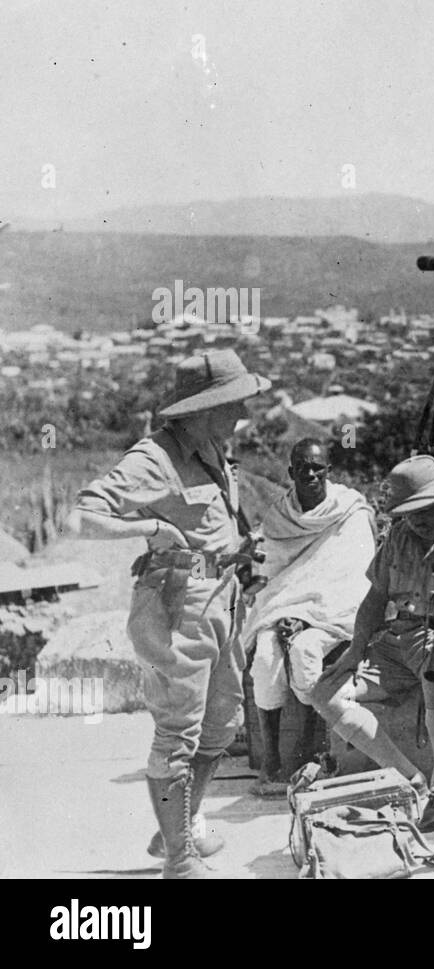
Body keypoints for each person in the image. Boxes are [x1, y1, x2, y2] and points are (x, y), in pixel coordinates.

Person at [74, 349, 270, 878]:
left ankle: (180, 832)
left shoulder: (209, 447)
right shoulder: (153, 458)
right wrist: (149, 530)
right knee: (178, 735)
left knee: (220, 727)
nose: (243, 411)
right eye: (235, 401)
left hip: (220, 596)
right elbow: (85, 515)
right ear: (206, 406)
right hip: (177, 604)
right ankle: (179, 863)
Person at [311, 455, 434, 831]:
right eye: (408, 511)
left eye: (423, 510)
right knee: (325, 692)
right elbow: (374, 600)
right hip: (399, 639)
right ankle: (408, 780)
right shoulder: (398, 537)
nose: (416, 519)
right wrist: (354, 651)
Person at [243, 438, 376, 796]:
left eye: (319, 467)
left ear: (328, 471)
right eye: (304, 467)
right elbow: (273, 577)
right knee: (267, 656)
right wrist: (286, 613)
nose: (312, 473)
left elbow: (353, 578)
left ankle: (312, 754)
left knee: (304, 651)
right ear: (291, 472)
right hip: (286, 608)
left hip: (334, 612)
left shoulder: (350, 511)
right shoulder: (278, 517)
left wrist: (305, 619)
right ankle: (271, 761)